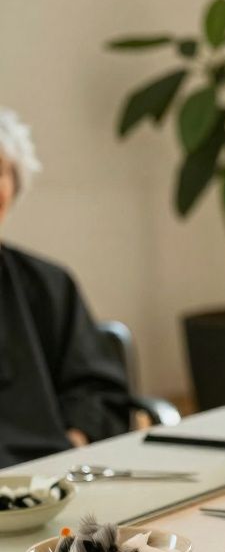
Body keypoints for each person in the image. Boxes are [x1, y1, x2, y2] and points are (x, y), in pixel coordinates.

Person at [0, 107, 131, 468]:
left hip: (48, 482)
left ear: (15, 185)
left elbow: (97, 390)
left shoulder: (49, 285)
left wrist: (75, 440)